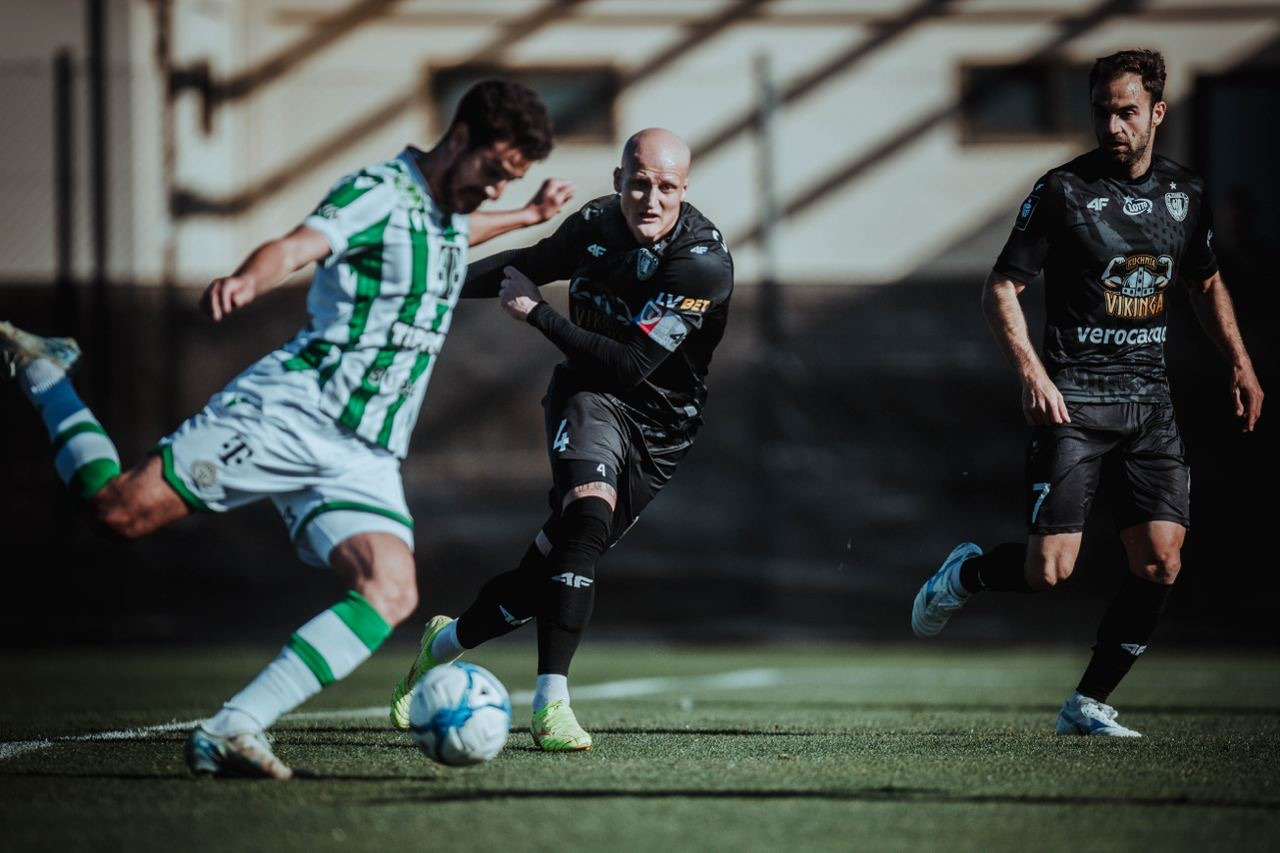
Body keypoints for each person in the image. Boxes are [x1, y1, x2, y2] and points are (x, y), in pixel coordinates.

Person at [0, 80, 572, 778]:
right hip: (290, 413)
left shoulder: (451, 214)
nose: (494, 189)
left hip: (363, 453)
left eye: (510, 179)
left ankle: (232, 727)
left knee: (391, 591)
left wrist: (526, 216)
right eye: (494, 171)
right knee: (115, 511)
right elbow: (297, 245)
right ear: (458, 139)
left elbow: (455, 236)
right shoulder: (378, 191)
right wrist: (248, 278)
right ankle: (46, 375)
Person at [910, 49, 1264, 736]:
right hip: (1074, 402)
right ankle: (969, 573)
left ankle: (1088, 703)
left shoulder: (1185, 192)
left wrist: (1241, 364)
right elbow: (1001, 287)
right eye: (1102, 110)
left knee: (1160, 561)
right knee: (1049, 571)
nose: (1112, 125)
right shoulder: (1063, 191)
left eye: (1127, 111)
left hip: (1150, 406)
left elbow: (1205, 280)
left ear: (1157, 113)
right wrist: (1033, 374)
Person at [387, 128, 734, 751]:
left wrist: (539, 314)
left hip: (662, 428)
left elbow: (632, 365)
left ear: (685, 189)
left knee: (539, 580)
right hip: (589, 397)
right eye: (639, 184)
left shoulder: (701, 263)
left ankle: (443, 642)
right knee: (585, 523)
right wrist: (432, 284)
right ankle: (551, 706)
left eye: (666, 187)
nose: (651, 199)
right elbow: (529, 266)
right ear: (618, 180)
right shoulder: (597, 223)